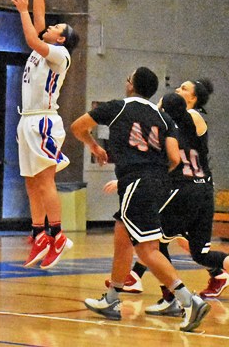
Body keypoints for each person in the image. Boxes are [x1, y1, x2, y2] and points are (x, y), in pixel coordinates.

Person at [71, 67, 210, 332]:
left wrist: (95, 147)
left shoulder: (118, 107)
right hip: (158, 183)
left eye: (128, 79)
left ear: (131, 85)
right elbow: (174, 159)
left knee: (146, 250)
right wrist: (155, 176)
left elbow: (78, 127)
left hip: (137, 181)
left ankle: (189, 301)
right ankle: (111, 299)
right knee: (123, 238)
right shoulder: (164, 117)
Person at [139, 89, 229, 316]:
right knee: (201, 253)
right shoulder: (194, 126)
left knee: (154, 242)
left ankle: (170, 298)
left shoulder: (166, 133)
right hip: (205, 190)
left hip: (183, 191)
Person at [9, 0, 80, 270]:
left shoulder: (59, 55)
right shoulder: (46, 48)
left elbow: (32, 36)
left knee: (45, 180)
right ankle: (39, 232)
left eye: (56, 29)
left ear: (61, 39)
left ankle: (59, 234)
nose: (49, 27)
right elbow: (40, 19)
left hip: (44, 121)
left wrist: (22, 11)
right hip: (27, 120)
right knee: (30, 181)